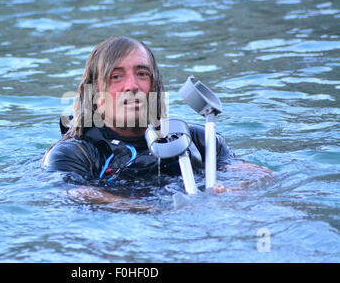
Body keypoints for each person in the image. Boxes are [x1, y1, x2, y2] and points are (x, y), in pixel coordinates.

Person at [43, 36, 271, 210]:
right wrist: (150, 211)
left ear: (155, 87)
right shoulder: (74, 153)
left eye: (142, 74)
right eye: (116, 76)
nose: (131, 86)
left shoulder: (200, 141)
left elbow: (261, 176)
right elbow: (74, 192)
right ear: (97, 96)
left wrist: (234, 193)